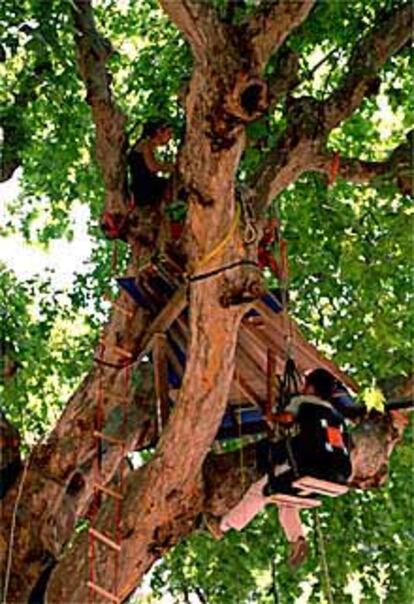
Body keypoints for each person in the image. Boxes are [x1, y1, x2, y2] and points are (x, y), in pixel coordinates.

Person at [204, 369, 360, 568]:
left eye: (305, 384)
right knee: (287, 500)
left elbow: (287, 418)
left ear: (310, 387)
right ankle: (296, 538)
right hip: (337, 476)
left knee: (261, 491)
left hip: (311, 467)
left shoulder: (303, 401)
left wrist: (272, 417)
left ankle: (224, 525)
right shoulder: (337, 415)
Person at [128, 120, 174, 207]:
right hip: (145, 188)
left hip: (141, 188)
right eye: (169, 133)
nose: (170, 137)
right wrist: (173, 168)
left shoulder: (146, 145)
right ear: (159, 131)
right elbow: (153, 166)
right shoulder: (146, 144)